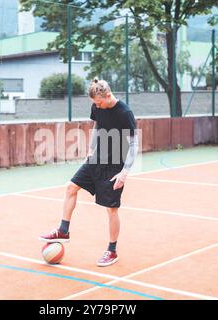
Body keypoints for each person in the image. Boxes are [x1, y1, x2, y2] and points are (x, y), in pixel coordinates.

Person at [39, 78, 139, 267]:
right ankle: (63, 230)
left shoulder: (125, 113)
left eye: (99, 102)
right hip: (96, 160)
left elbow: (134, 143)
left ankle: (112, 250)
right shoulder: (97, 107)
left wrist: (125, 172)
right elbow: (97, 126)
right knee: (71, 187)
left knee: (111, 209)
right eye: (94, 104)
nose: (96, 107)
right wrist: (91, 149)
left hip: (115, 166)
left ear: (108, 95)